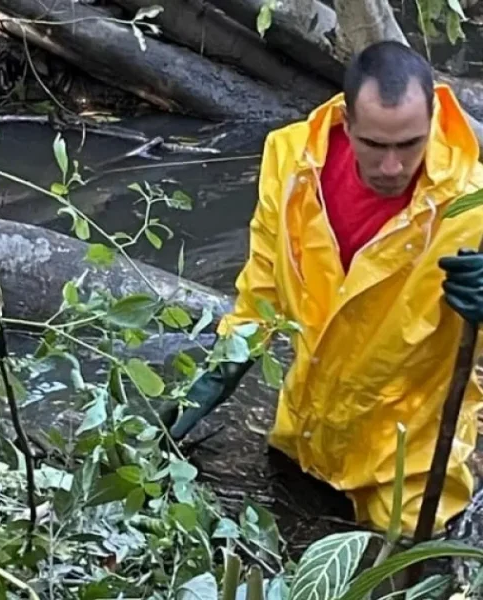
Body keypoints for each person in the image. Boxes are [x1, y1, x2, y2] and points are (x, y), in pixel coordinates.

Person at [161, 40, 483, 536]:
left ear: (434, 121)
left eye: (410, 145)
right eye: (375, 145)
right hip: (305, 436)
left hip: (409, 468)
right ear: (347, 123)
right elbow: (264, 290)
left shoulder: (472, 206)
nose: (393, 167)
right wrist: (210, 381)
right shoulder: (291, 165)